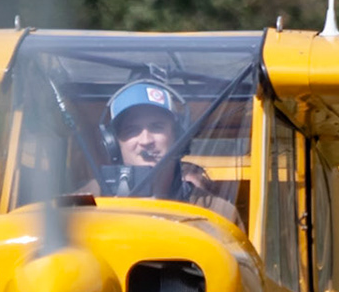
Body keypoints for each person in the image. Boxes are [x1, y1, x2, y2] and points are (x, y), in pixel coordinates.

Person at [86, 78, 243, 226]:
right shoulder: (85, 204)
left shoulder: (218, 213)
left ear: (178, 136)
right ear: (112, 143)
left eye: (157, 127)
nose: (146, 140)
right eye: (132, 130)